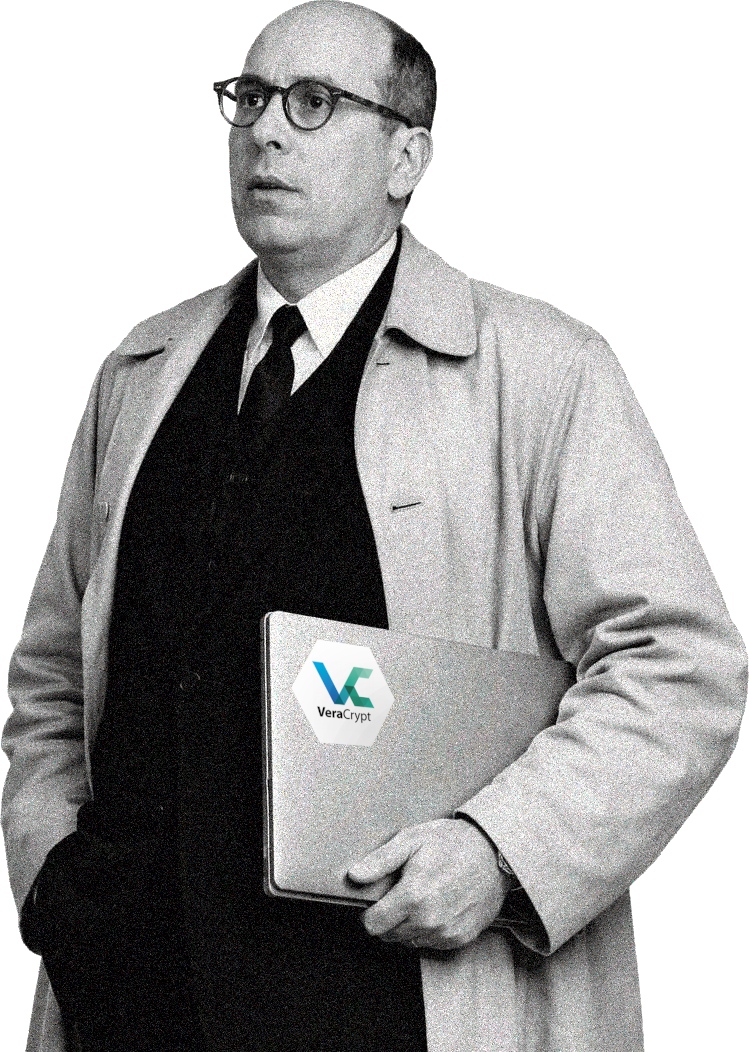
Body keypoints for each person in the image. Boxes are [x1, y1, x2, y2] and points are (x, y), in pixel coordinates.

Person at [2, 2, 746, 1050]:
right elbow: (48, 679)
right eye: (247, 99)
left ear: (407, 157)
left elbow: (678, 667)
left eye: (313, 103)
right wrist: (46, 870)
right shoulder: (137, 371)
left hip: (396, 1001)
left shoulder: (545, 370)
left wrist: (501, 851)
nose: (265, 132)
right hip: (131, 1001)